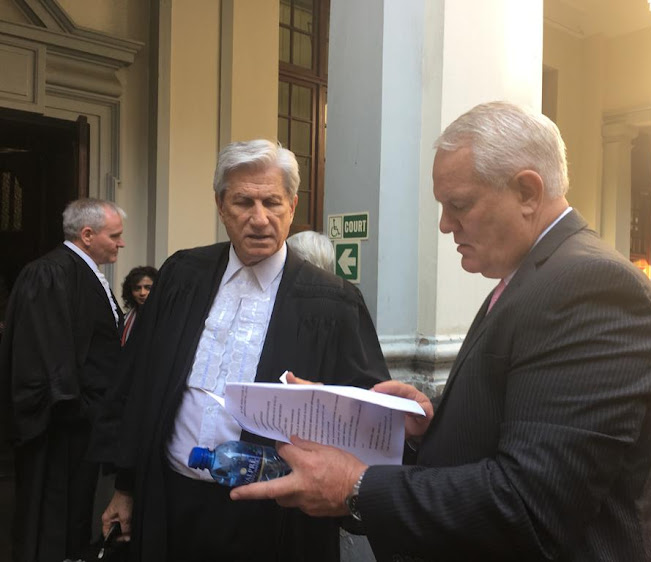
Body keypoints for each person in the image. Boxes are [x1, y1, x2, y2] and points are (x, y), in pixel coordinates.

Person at [231, 101, 651, 561]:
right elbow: (520, 416)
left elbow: (529, 506)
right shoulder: (533, 277)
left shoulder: (594, 289)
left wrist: (356, 486)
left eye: (458, 205)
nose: (445, 225)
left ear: (527, 191)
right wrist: (431, 426)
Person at [90, 140, 390, 561]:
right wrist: (125, 486)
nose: (259, 219)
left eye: (272, 202)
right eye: (243, 202)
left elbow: (364, 414)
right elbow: (138, 381)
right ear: (220, 204)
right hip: (170, 500)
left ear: (292, 205)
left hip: (274, 520)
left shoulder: (333, 302)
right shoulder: (181, 275)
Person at [0, 198, 126, 562]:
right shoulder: (50, 272)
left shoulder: (82, 271)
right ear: (87, 235)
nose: (121, 243)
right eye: (114, 235)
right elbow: (45, 349)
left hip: (84, 425)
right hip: (61, 425)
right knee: (52, 515)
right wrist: (74, 406)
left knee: (77, 511)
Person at [120, 265, 159, 345]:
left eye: (148, 288)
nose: (142, 293)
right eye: (137, 288)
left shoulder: (165, 318)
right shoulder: (122, 321)